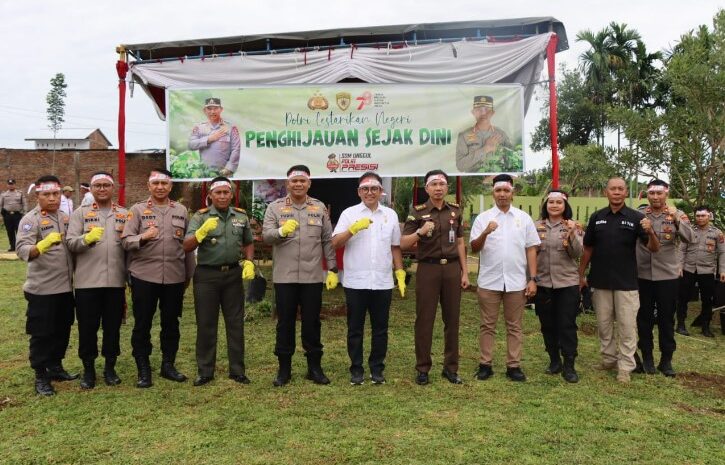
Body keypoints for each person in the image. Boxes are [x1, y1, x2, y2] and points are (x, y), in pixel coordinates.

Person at [262, 165, 338, 386]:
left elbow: (326, 240)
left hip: (312, 276)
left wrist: (332, 268)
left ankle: (314, 367)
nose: (298, 184)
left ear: (309, 184)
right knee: (284, 323)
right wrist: (280, 232)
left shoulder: (319, 207)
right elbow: (267, 236)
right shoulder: (274, 208)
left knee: (312, 322)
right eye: (294, 181)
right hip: (284, 277)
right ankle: (283, 369)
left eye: (302, 181)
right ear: (287, 184)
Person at [579, 177, 660, 384]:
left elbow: (653, 248)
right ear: (606, 192)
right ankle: (608, 360)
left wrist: (650, 231)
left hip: (626, 283)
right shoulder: (597, 217)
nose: (616, 192)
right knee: (604, 325)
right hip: (600, 280)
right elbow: (588, 248)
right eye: (612, 189)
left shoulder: (636, 218)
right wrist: (580, 274)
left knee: (626, 326)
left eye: (620, 189)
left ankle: (625, 367)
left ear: (626, 193)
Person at [121, 168, 195, 388]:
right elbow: (126, 241)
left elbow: (188, 247)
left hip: (174, 277)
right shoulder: (137, 210)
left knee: (171, 323)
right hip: (144, 276)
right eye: (156, 184)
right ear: (149, 186)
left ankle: (168, 365)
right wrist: (143, 237)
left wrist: (188, 275)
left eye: (164, 184)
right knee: (142, 324)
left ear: (171, 187)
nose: (160, 187)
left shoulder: (181, 210)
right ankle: (143, 369)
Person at [331, 172, 406, 385]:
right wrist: (352, 230)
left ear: (381, 191)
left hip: (382, 281)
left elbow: (395, 246)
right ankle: (356, 369)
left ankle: (377, 369)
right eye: (365, 189)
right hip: (356, 281)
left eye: (374, 188)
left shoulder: (390, 215)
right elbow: (335, 243)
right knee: (355, 328)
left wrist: (399, 272)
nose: (370, 192)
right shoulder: (349, 213)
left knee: (380, 329)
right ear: (359, 192)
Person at [183, 176, 255, 386]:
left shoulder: (240, 216)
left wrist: (249, 261)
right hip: (206, 276)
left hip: (233, 274)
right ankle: (205, 371)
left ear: (232, 195)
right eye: (218, 193)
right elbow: (186, 246)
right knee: (206, 323)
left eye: (226, 192)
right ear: (210, 196)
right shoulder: (200, 216)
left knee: (235, 323)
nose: (223, 196)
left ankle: (237, 370)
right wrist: (201, 232)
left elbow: (248, 242)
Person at [401, 170, 469, 385]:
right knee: (425, 320)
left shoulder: (455, 211)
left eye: (442, 184)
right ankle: (423, 368)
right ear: (427, 188)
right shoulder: (417, 212)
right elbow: (403, 244)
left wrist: (465, 272)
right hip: (428, 270)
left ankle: (451, 368)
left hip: (451, 269)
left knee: (452, 320)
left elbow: (459, 243)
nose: (438, 188)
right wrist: (421, 231)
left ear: (447, 187)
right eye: (434, 184)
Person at [470, 174, 540, 382]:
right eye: (498, 191)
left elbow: (531, 249)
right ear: (493, 193)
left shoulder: (523, 218)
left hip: (516, 281)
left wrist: (532, 278)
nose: (502, 194)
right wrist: (485, 232)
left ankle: (513, 366)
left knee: (515, 326)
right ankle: (485, 364)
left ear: (513, 193)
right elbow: (474, 247)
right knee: (487, 325)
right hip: (489, 281)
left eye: (506, 191)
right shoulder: (483, 218)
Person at [15, 176, 77, 396]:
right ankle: (40, 375)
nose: (52, 198)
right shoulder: (29, 219)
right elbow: (22, 251)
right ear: (37, 195)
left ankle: (55, 366)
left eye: (56, 194)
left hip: (65, 288)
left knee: (62, 329)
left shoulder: (66, 217)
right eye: (46, 194)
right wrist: (41, 245)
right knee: (42, 333)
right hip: (42, 289)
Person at [65, 171, 127, 389]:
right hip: (87, 282)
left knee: (112, 327)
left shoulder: (123, 213)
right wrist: (85, 240)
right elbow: (70, 242)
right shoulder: (79, 214)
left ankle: (110, 367)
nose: (101, 189)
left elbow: (128, 246)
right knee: (88, 328)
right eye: (97, 185)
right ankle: (88, 369)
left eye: (106, 185)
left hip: (115, 282)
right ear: (91, 189)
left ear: (113, 188)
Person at [634, 179, 693, 377]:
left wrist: (676, 218)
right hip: (642, 274)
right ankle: (648, 357)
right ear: (647, 195)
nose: (656, 197)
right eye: (652, 193)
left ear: (666, 194)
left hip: (667, 275)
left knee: (667, 318)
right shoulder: (640, 215)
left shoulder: (677, 215)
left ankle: (666, 360)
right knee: (644, 318)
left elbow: (690, 238)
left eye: (660, 193)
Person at [533, 190, 583, 383]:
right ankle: (554, 360)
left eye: (558, 203)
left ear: (565, 206)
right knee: (547, 324)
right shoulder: (536, 226)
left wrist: (571, 233)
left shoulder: (573, 225)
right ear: (545, 205)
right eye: (551, 202)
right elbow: (529, 253)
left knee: (567, 325)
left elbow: (577, 253)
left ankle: (569, 365)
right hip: (543, 283)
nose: (554, 205)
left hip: (566, 283)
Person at [678, 205, 725, 337]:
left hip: (707, 271)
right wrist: (679, 266)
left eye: (703, 215)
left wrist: (722, 270)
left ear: (709, 216)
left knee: (707, 300)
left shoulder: (717, 233)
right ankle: (680, 325)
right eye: (697, 215)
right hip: (688, 269)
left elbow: (722, 252)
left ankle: (705, 327)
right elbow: (681, 249)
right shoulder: (689, 230)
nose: (700, 218)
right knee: (683, 297)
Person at [455, 95, 513, 173]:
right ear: (473, 112)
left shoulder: (501, 134)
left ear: (492, 113)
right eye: (479, 109)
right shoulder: (464, 136)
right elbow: (460, 166)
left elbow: (512, 162)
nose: (483, 113)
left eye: (487, 109)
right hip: (472, 181)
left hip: (495, 179)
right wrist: (485, 149)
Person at [188, 97, 241, 177]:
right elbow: (191, 145)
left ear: (221, 109)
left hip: (224, 173)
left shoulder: (230, 128)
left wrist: (229, 168)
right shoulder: (199, 128)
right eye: (209, 109)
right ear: (204, 110)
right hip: (204, 173)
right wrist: (209, 139)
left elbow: (236, 149)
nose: (212, 112)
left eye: (215, 108)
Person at [1, 178, 28, 251]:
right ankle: (12, 246)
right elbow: (1, 205)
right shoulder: (4, 194)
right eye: (9, 184)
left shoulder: (20, 193)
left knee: (19, 231)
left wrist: (25, 213)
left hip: (17, 215)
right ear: (7, 185)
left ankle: (20, 246)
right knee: (10, 231)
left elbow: (24, 204)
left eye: (12, 184)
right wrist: (1, 216)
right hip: (7, 215)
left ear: (15, 185)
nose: (11, 186)